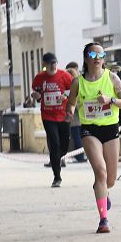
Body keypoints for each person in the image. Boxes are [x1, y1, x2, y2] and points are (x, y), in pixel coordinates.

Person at [65, 43, 121, 233]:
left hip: (110, 129)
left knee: (110, 179)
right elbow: (71, 103)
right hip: (89, 130)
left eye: (101, 53)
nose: (97, 57)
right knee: (100, 172)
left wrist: (110, 100)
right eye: (93, 53)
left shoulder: (112, 78)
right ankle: (103, 220)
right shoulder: (78, 82)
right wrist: (70, 111)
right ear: (86, 58)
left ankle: (102, 190)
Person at [30, 52, 72, 187]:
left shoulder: (64, 75)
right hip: (48, 116)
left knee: (64, 146)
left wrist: (65, 96)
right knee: (54, 144)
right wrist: (36, 96)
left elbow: (74, 91)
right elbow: (36, 94)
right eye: (50, 64)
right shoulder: (39, 78)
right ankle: (57, 176)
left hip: (63, 115)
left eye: (55, 63)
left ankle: (58, 158)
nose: (53, 66)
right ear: (44, 65)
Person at [64, 62, 87, 163]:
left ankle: (80, 157)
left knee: (77, 138)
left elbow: (77, 104)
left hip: (76, 119)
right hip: (75, 119)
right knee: (76, 138)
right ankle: (78, 156)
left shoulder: (76, 88)